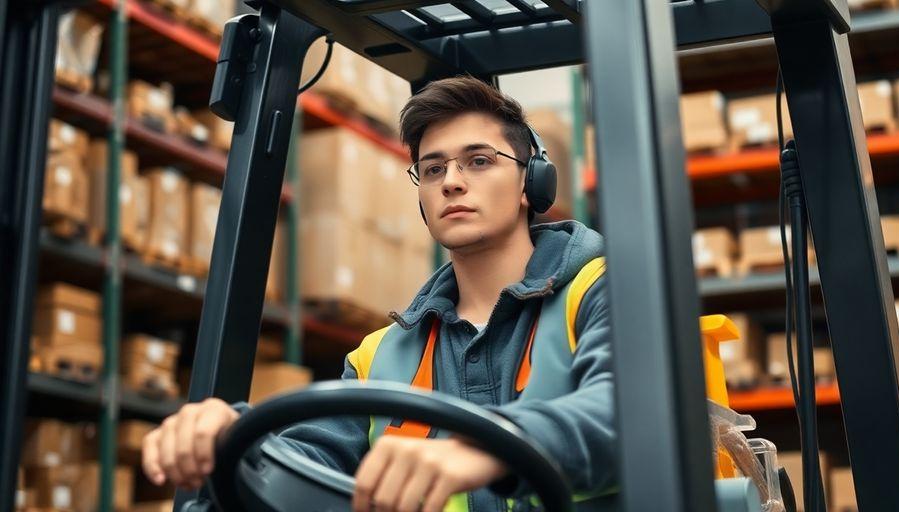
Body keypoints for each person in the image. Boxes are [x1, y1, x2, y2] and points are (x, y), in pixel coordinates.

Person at [141, 76, 617, 512]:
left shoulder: (603, 292)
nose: (451, 181)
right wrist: (232, 438)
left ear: (530, 183)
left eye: (478, 161)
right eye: (432, 170)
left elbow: (628, 411)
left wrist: (494, 447)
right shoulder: (380, 357)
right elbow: (310, 465)